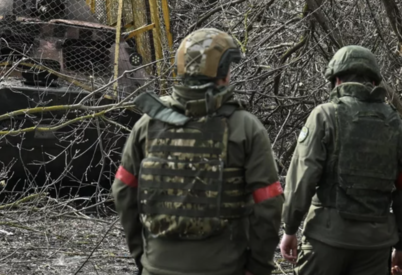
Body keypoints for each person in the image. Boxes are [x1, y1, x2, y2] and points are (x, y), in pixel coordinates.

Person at [112, 28, 283, 275]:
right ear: (223, 73)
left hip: (157, 267)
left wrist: (143, 256)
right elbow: (268, 204)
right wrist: (258, 267)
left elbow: (123, 190)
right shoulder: (245, 127)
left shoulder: (148, 124)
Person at [280, 45, 402, 275]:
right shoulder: (396, 123)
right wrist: (401, 245)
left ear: (337, 80)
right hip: (376, 245)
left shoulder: (325, 115)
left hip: (327, 238)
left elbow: (302, 178)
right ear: (374, 82)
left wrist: (290, 228)